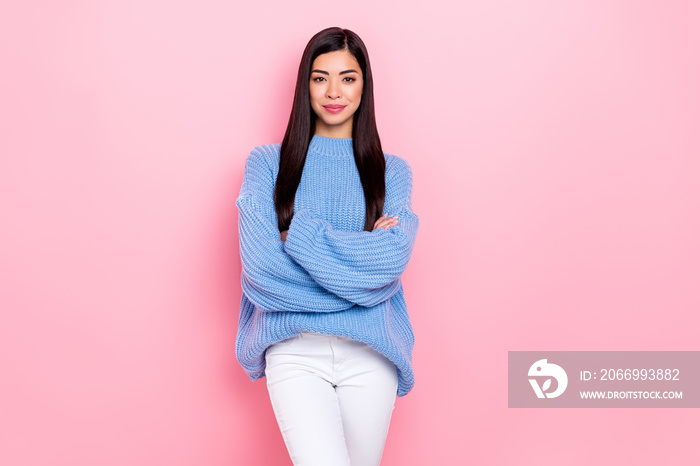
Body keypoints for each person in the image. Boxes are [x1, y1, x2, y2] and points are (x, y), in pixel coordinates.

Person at [235, 26, 420, 466]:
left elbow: (389, 262)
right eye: (320, 78)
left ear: (364, 85)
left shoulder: (392, 172)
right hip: (295, 351)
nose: (333, 91)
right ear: (305, 85)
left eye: (348, 77)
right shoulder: (267, 164)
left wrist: (298, 234)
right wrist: (358, 266)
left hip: (372, 354)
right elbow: (262, 273)